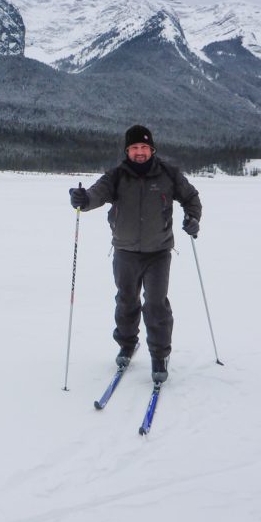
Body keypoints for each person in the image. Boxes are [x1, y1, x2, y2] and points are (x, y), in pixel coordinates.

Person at [68, 125, 202, 382]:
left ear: (151, 149)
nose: (139, 152)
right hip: (125, 251)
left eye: (144, 148)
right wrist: (83, 199)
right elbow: (97, 193)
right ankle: (127, 344)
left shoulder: (168, 173)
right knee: (126, 300)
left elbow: (191, 197)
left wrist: (193, 218)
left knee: (155, 303)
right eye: (134, 148)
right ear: (127, 150)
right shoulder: (117, 175)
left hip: (159, 252)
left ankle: (159, 354)